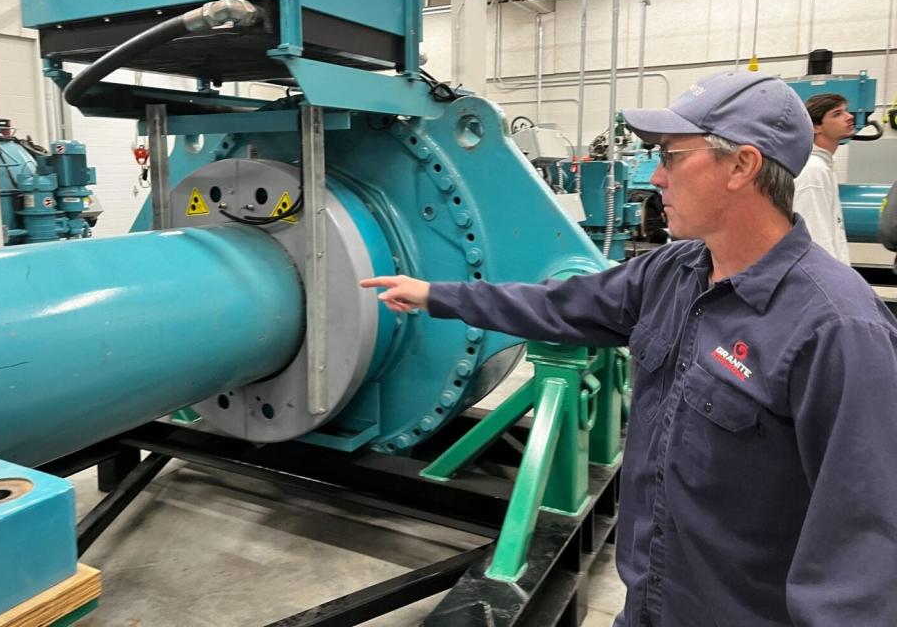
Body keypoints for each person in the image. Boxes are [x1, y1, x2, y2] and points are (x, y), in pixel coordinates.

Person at [361, 71, 897, 626]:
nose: (657, 177)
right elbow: (557, 305)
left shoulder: (837, 329)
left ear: (743, 165)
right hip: (650, 603)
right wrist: (436, 295)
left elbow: (864, 545)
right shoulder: (675, 272)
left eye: (672, 157)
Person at [793, 93, 855, 264]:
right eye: (837, 114)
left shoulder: (824, 165)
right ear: (815, 127)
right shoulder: (813, 169)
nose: (849, 117)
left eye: (847, 111)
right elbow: (816, 238)